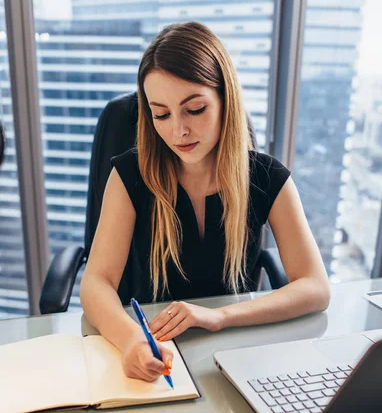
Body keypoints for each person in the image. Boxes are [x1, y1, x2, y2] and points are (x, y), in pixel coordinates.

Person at [80, 21, 331, 383]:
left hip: (236, 355)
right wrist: (132, 339)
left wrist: (221, 317)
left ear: (226, 100)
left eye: (194, 109)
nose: (178, 131)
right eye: (161, 114)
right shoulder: (131, 175)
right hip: (158, 352)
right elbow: (96, 282)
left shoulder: (266, 177)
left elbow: (316, 287)